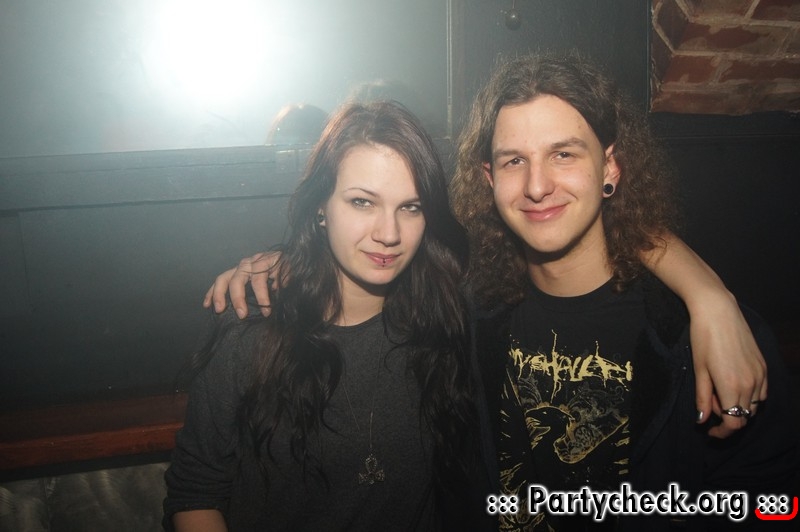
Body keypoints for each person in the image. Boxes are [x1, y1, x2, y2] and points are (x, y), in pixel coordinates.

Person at [452, 53, 797, 530]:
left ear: (610, 167)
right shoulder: (466, 322)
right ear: (490, 179)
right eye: (514, 161)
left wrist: (710, 299)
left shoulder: (698, 334)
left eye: (563, 154)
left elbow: (773, 500)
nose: (536, 186)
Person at [164, 101, 493, 531]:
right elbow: (196, 492)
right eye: (362, 202)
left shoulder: (447, 318)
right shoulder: (252, 325)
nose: (389, 233)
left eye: (410, 207)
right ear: (321, 206)